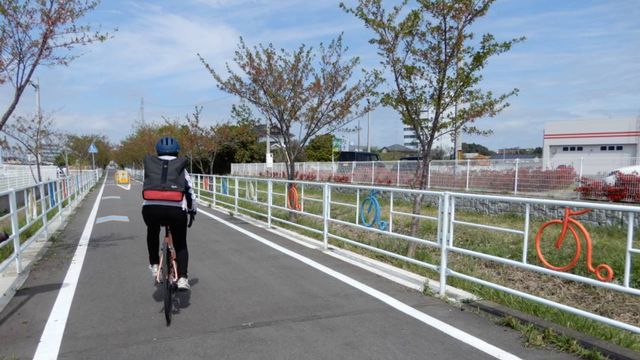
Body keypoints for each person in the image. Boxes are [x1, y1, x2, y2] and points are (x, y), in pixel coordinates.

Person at [141, 136, 196, 290]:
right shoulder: (181, 168)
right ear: (177, 152)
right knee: (180, 243)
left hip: (151, 209)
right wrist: (192, 210)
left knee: (152, 231)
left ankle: (154, 264)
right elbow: (190, 192)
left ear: (157, 151)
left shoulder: (150, 166)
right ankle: (183, 279)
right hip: (176, 210)